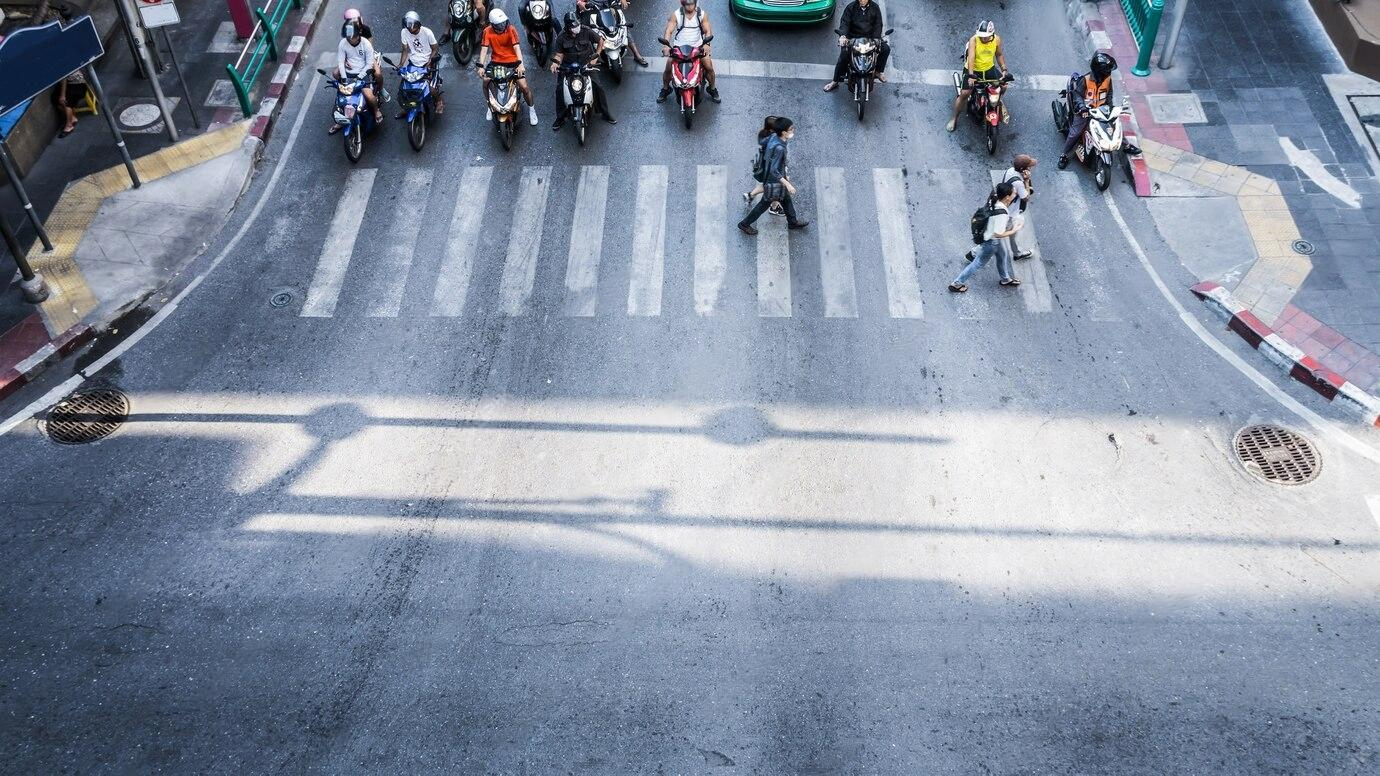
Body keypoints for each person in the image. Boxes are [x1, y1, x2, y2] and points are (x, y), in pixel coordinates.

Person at [1058, 52, 1140, 168]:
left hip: (1101, 110)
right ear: (1100, 71)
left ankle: (1126, 146)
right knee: (1075, 133)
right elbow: (1077, 96)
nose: (1109, 72)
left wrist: (1110, 107)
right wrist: (1083, 109)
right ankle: (1064, 155)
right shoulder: (1085, 80)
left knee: (1113, 127)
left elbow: (1109, 93)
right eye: (1107, 70)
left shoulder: (1107, 79)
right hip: (1085, 112)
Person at [738, 117, 809, 234]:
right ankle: (744, 224)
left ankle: (792, 222)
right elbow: (774, 170)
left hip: (772, 178)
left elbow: (763, 145)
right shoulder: (780, 148)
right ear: (784, 132)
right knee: (763, 205)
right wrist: (788, 184)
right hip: (774, 181)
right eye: (791, 129)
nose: (793, 130)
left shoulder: (773, 137)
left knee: (786, 200)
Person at [949, 181, 1022, 292]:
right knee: (978, 263)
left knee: (1002, 256)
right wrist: (1014, 230)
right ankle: (956, 283)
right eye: (1013, 193)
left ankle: (1005, 279)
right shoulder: (1002, 213)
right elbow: (999, 233)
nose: (1015, 193)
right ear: (1007, 197)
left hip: (991, 237)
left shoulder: (995, 200)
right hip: (992, 241)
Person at [550, 13, 617, 129]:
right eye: (574, 26)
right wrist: (555, 63)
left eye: (578, 25)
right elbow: (559, 54)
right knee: (560, 89)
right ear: (568, 27)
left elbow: (601, 41)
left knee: (598, 86)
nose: (577, 27)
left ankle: (605, 113)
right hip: (569, 67)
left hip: (586, 64)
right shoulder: (561, 37)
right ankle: (560, 118)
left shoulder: (586, 31)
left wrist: (596, 56)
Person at [478, 9, 538, 125]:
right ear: (492, 25)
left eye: (503, 23)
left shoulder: (511, 29)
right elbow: (484, 49)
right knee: (486, 82)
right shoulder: (487, 31)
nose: (502, 26)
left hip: (513, 62)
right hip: (496, 62)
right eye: (499, 24)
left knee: (524, 87)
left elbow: (516, 48)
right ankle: (489, 106)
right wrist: (481, 66)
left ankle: (532, 109)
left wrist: (520, 64)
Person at [947, 20, 1006, 132]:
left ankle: (997, 102)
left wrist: (1004, 69)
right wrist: (970, 75)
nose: (983, 38)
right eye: (981, 36)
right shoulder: (974, 40)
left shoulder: (997, 39)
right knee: (965, 93)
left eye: (986, 36)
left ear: (991, 34)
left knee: (1003, 86)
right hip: (973, 69)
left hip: (988, 69)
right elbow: (971, 58)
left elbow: (999, 55)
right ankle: (954, 118)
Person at [657, 0, 719, 104]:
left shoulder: (701, 14)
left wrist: (707, 44)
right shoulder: (676, 14)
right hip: (679, 48)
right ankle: (665, 88)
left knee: (709, 67)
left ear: (695, 4)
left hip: (697, 47)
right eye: (687, 4)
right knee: (668, 66)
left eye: (691, 4)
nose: (690, 7)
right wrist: (666, 45)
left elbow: (708, 30)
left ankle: (712, 89)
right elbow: (669, 30)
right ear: (683, 4)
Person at [822, 0, 889, 92]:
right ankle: (835, 81)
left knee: (885, 49)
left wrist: (876, 39)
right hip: (853, 38)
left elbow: (878, 25)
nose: (862, 0)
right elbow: (844, 23)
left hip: (870, 38)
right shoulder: (851, 7)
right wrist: (843, 36)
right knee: (843, 55)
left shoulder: (875, 8)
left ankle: (878, 71)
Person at [335, 22, 384, 127]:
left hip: (363, 73)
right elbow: (341, 62)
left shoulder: (365, 44)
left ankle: (376, 111)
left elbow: (369, 64)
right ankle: (342, 117)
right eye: (348, 37)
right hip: (348, 74)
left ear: (358, 36)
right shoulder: (343, 43)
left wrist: (358, 77)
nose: (349, 39)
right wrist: (344, 79)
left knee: (369, 96)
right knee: (342, 96)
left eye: (352, 37)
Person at [576, 0, 649, 66]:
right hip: (591, 7)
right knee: (583, 29)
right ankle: (585, 56)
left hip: (610, 5)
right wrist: (580, 2)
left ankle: (636, 54)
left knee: (623, 25)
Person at [400, 10, 443, 116]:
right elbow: (405, 50)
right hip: (413, 63)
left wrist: (430, 60)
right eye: (408, 26)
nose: (410, 29)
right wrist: (401, 64)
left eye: (412, 26)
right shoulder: (404, 32)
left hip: (427, 62)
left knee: (430, 88)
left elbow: (435, 49)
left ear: (418, 24)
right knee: (404, 87)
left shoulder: (427, 32)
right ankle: (406, 107)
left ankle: (439, 101)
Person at [742, 116, 785, 216]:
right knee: (777, 187)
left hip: (768, 166)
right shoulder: (772, 140)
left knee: (770, 186)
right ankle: (774, 207)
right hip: (773, 168)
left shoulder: (764, 134)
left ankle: (750, 195)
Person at [52, 71, 88, 138]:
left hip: (78, 86)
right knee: (54, 98)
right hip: (73, 84)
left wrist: (62, 95)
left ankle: (69, 125)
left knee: (65, 102)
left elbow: (64, 79)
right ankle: (73, 118)